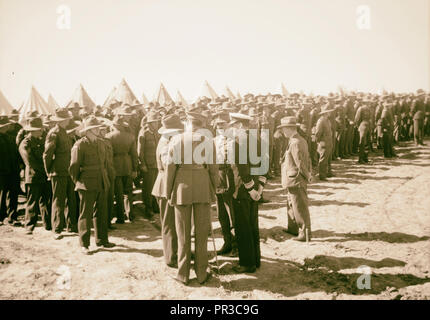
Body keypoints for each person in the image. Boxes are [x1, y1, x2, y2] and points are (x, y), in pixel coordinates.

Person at [164, 112, 219, 285]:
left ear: (188, 123)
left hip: (182, 188)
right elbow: (213, 169)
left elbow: (170, 168)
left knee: (183, 234)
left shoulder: (176, 140)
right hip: (202, 186)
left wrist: (168, 191)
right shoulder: (208, 141)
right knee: (202, 233)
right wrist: (213, 189)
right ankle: (202, 273)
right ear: (200, 124)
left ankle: (183, 274)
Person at [69, 116, 115, 255]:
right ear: (89, 130)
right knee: (85, 214)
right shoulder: (80, 145)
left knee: (102, 212)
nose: (99, 129)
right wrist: (78, 182)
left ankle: (102, 240)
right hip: (86, 183)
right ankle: (84, 244)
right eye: (95, 128)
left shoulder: (101, 143)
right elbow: (74, 167)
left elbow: (106, 163)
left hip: (101, 181)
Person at [228, 112, 266, 274]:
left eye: (234, 126)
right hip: (255, 188)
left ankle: (247, 263)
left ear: (240, 125)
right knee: (253, 226)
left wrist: (250, 189)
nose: (233, 130)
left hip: (243, 189)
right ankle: (256, 259)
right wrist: (259, 188)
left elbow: (242, 169)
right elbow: (264, 164)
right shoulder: (257, 140)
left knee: (243, 227)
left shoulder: (238, 142)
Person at [152, 114, 183, 268]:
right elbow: (168, 166)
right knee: (169, 222)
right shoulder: (165, 144)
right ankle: (171, 256)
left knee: (174, 221)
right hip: (165, 185)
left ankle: (176, 251)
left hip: (169, 184)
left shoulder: (168, 141)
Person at [43, 108, 77, 239]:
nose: (69, 120)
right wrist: (49, 171)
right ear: (62, 120)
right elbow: (47, 155)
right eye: (67, 119)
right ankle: (56, 229)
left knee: (71, 199)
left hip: (68, 170)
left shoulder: (64, 132)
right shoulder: (54, 133)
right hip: (58, 171)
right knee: (58, 200)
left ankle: (71, 226)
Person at [279, 117, 312, 241]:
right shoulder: (296, 140)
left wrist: (307, 176)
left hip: (296, 179)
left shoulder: (296, 142)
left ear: (289, 128)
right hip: (292, 178)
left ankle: (304, 233)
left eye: (283, 129)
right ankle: (293, 228)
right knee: (291, 204)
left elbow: (301, 163)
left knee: (299, 206)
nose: (283, 132)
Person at [106, 111, 138, 223]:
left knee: (118, 193)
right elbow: (134, 154)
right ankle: (131, 215)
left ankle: (120, 217)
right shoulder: (130, 136)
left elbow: (108, 155)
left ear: (114, 125)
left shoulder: (108, 137)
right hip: (127, 164)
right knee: (128, 192)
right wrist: (135, 169)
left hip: (115, 166)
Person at [213, 117, 237, 256]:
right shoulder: (214, 141)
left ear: (229, 125)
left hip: (229, 175)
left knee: (231, 212)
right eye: (218, 125)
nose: (220, 127)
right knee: (221, 213)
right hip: (218, 175)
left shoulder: (234, 141)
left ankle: (236, 245)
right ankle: (227, 243)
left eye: (223, 124)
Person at [137, 111, 161, 218]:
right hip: (148, 165)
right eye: (154, 122)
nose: (156, 124)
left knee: (156, 186)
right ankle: (148, 208)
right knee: (148, 187)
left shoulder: (157, 133)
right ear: (149, 124)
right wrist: (142, 164)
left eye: (156, 122)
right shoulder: (144, 134)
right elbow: (140, 151)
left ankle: (155, 205)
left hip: (157, 164)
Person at [0, 116, 21, 226]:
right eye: (6, 125)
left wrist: (19, 166)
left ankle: (12, 216)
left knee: (13, 194)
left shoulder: (10, 137)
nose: (8, 126)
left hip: (13, 170)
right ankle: (1, 216)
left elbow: (16, 153)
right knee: (2, 194)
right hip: (2, 171)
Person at [315, 106, 334, 180]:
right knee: (323, 159)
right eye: (328, 112)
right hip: (324, 142)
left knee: (328, 158)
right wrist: (319, 141)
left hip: (329, 141)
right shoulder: (321, 121)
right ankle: (322, 175)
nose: (330, 113)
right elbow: (318, 133)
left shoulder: (327, 120)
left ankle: (328, 172)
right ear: (325, 113)